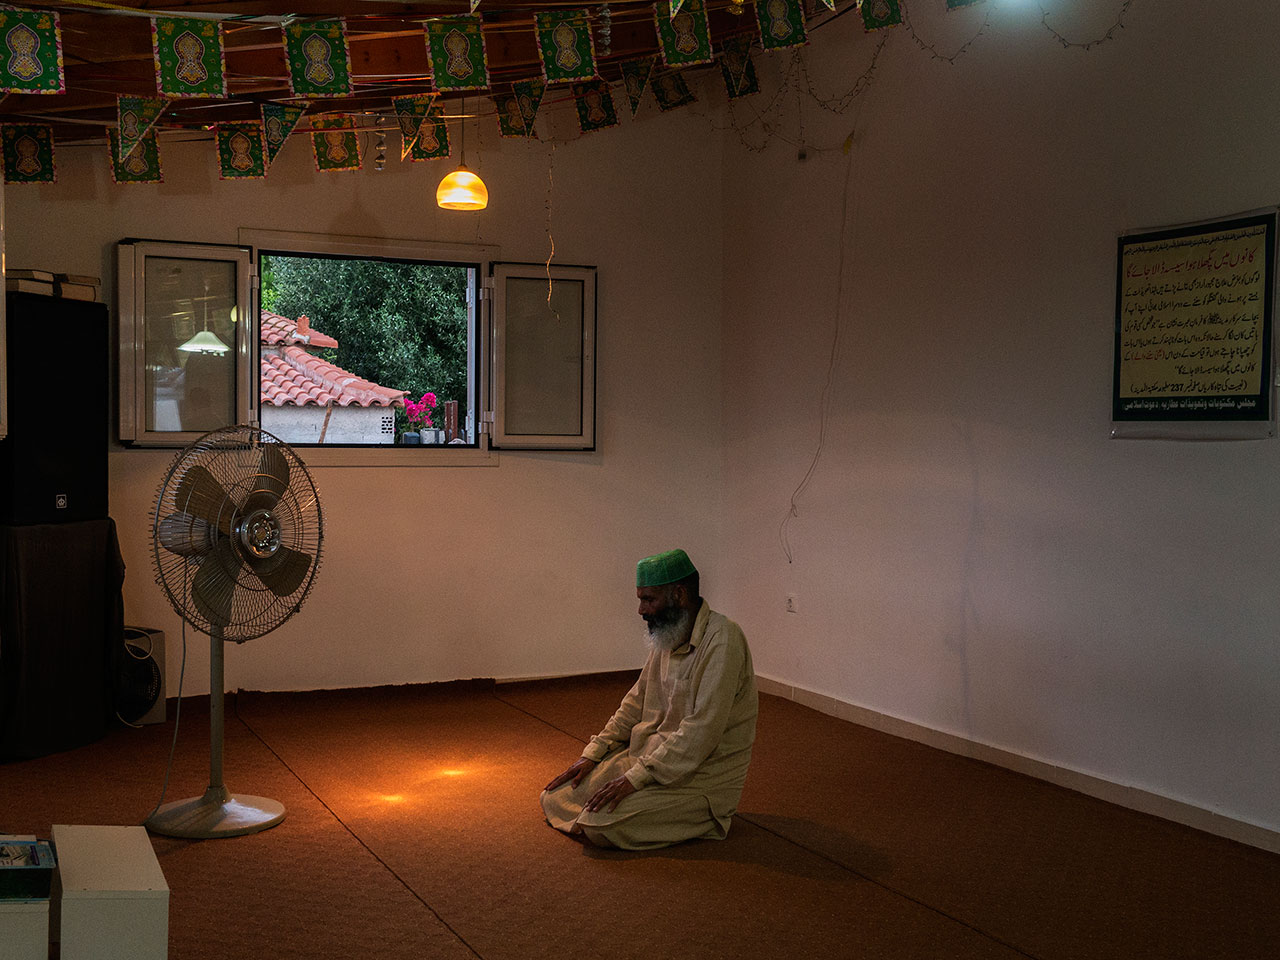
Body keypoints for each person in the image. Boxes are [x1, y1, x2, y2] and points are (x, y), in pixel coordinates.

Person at [541, 549, 758, 850]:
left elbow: (700, 733)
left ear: (679, 594)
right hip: (649, 760)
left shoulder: (723, 641)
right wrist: (593, 753)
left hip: (697, 779)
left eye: (648, 600)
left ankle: (704, 819)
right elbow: (634, 704)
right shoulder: (668, 637)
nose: (641, 610)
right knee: (555, 794)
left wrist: (634, 779)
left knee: (597, 822)